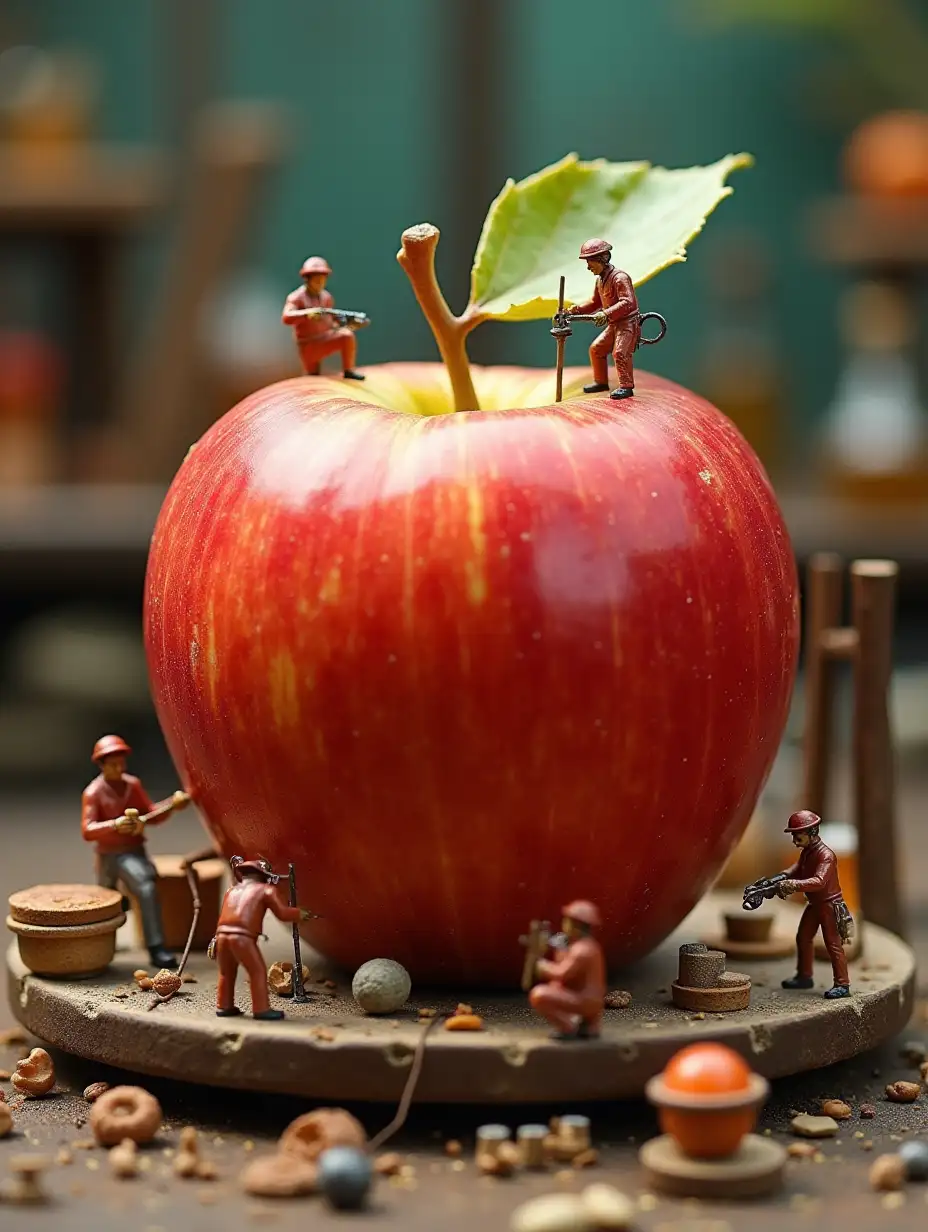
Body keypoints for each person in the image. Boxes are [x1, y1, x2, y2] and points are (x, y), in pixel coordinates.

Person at [81, 735, 189, 969]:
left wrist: (172, 804)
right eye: (113, 764)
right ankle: (100, 948)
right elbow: (87, 830)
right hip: (108, 854)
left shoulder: (133, 785)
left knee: (147, 887)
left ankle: (156, 947)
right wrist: (114, 825)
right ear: (101, 765)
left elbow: (151, 814)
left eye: (121, 763)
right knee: (105, 902)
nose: (119, 768)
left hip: (132, 852)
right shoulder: (94, 793)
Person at [214, 857, 314, 1020]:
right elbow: (282, 913)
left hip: (222, 936)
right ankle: (261, 1009)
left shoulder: (231, 891)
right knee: (257, 971)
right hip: (242, 938)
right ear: (264, 875)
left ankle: (224, 1006)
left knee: (226, 972)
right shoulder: (265, 891)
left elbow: (223, 915)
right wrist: (299, 913)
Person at [776, 810, 853, 999]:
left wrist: (793, 885)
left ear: (811, 832)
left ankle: (842, 984)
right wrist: (782, 876)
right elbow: (797, 868)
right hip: (814, 904)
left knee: (833, 945)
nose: (794, 840)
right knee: (803, 938)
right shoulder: (807, 852)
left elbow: (819, 881)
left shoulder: (826, 855)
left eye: (797, 835)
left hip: (829, 905)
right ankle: (804, 976)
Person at [568, 238, 640, 399]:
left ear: (602, 259)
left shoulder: (620, 278)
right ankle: (601, 382)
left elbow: (628, 302)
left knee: (620, 353)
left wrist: (606, 314)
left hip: (627, 324)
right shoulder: (600, 281)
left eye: (590, 262)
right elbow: (595, 303)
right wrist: (575, 310)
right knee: (597, 349)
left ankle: (626, 386)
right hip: (614, 324)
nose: (588, 267)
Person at [528, 900, 606, 1039]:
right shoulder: (589, 946)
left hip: (584, 1000)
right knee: (556, 987)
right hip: (592, 998)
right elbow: (559, 944)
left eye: (567, 921)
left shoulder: (581, 951)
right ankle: (590, 1026)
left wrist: (543, 966)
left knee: (538, 995)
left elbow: (562, 973)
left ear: (576, 925)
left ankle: (568, 1026)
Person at [281, 256, 366, 379]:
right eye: (316, 279)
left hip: (325, 338)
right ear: (307, 279)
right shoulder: (296, 298)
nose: (320, 282)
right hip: (308, 344)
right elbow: (286, 317)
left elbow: (331, 319)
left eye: (323, 279)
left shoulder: (326, 297)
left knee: (346, 336)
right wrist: (307, 313)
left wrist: (347, 324)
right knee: (311, 375)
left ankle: (348, 370)